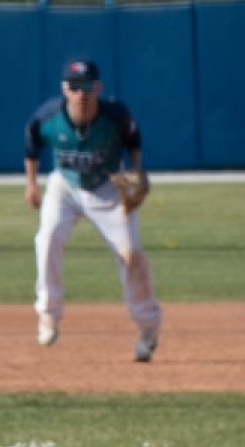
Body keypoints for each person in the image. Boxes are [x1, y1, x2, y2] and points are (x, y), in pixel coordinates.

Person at [24, 57, 162, 361]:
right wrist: (31, 184)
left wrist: (135, 170)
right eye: (74, 86)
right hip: (65, 187)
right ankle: (48, 314)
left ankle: (148, 328)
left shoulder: (115, 115)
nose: (80, 93)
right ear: (64, 88)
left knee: (130, 254)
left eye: (86, 86)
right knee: (46, 239)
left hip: (108, 188)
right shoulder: (48, 117)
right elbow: (31, 144)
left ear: (97, 87)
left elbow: (133, 141)